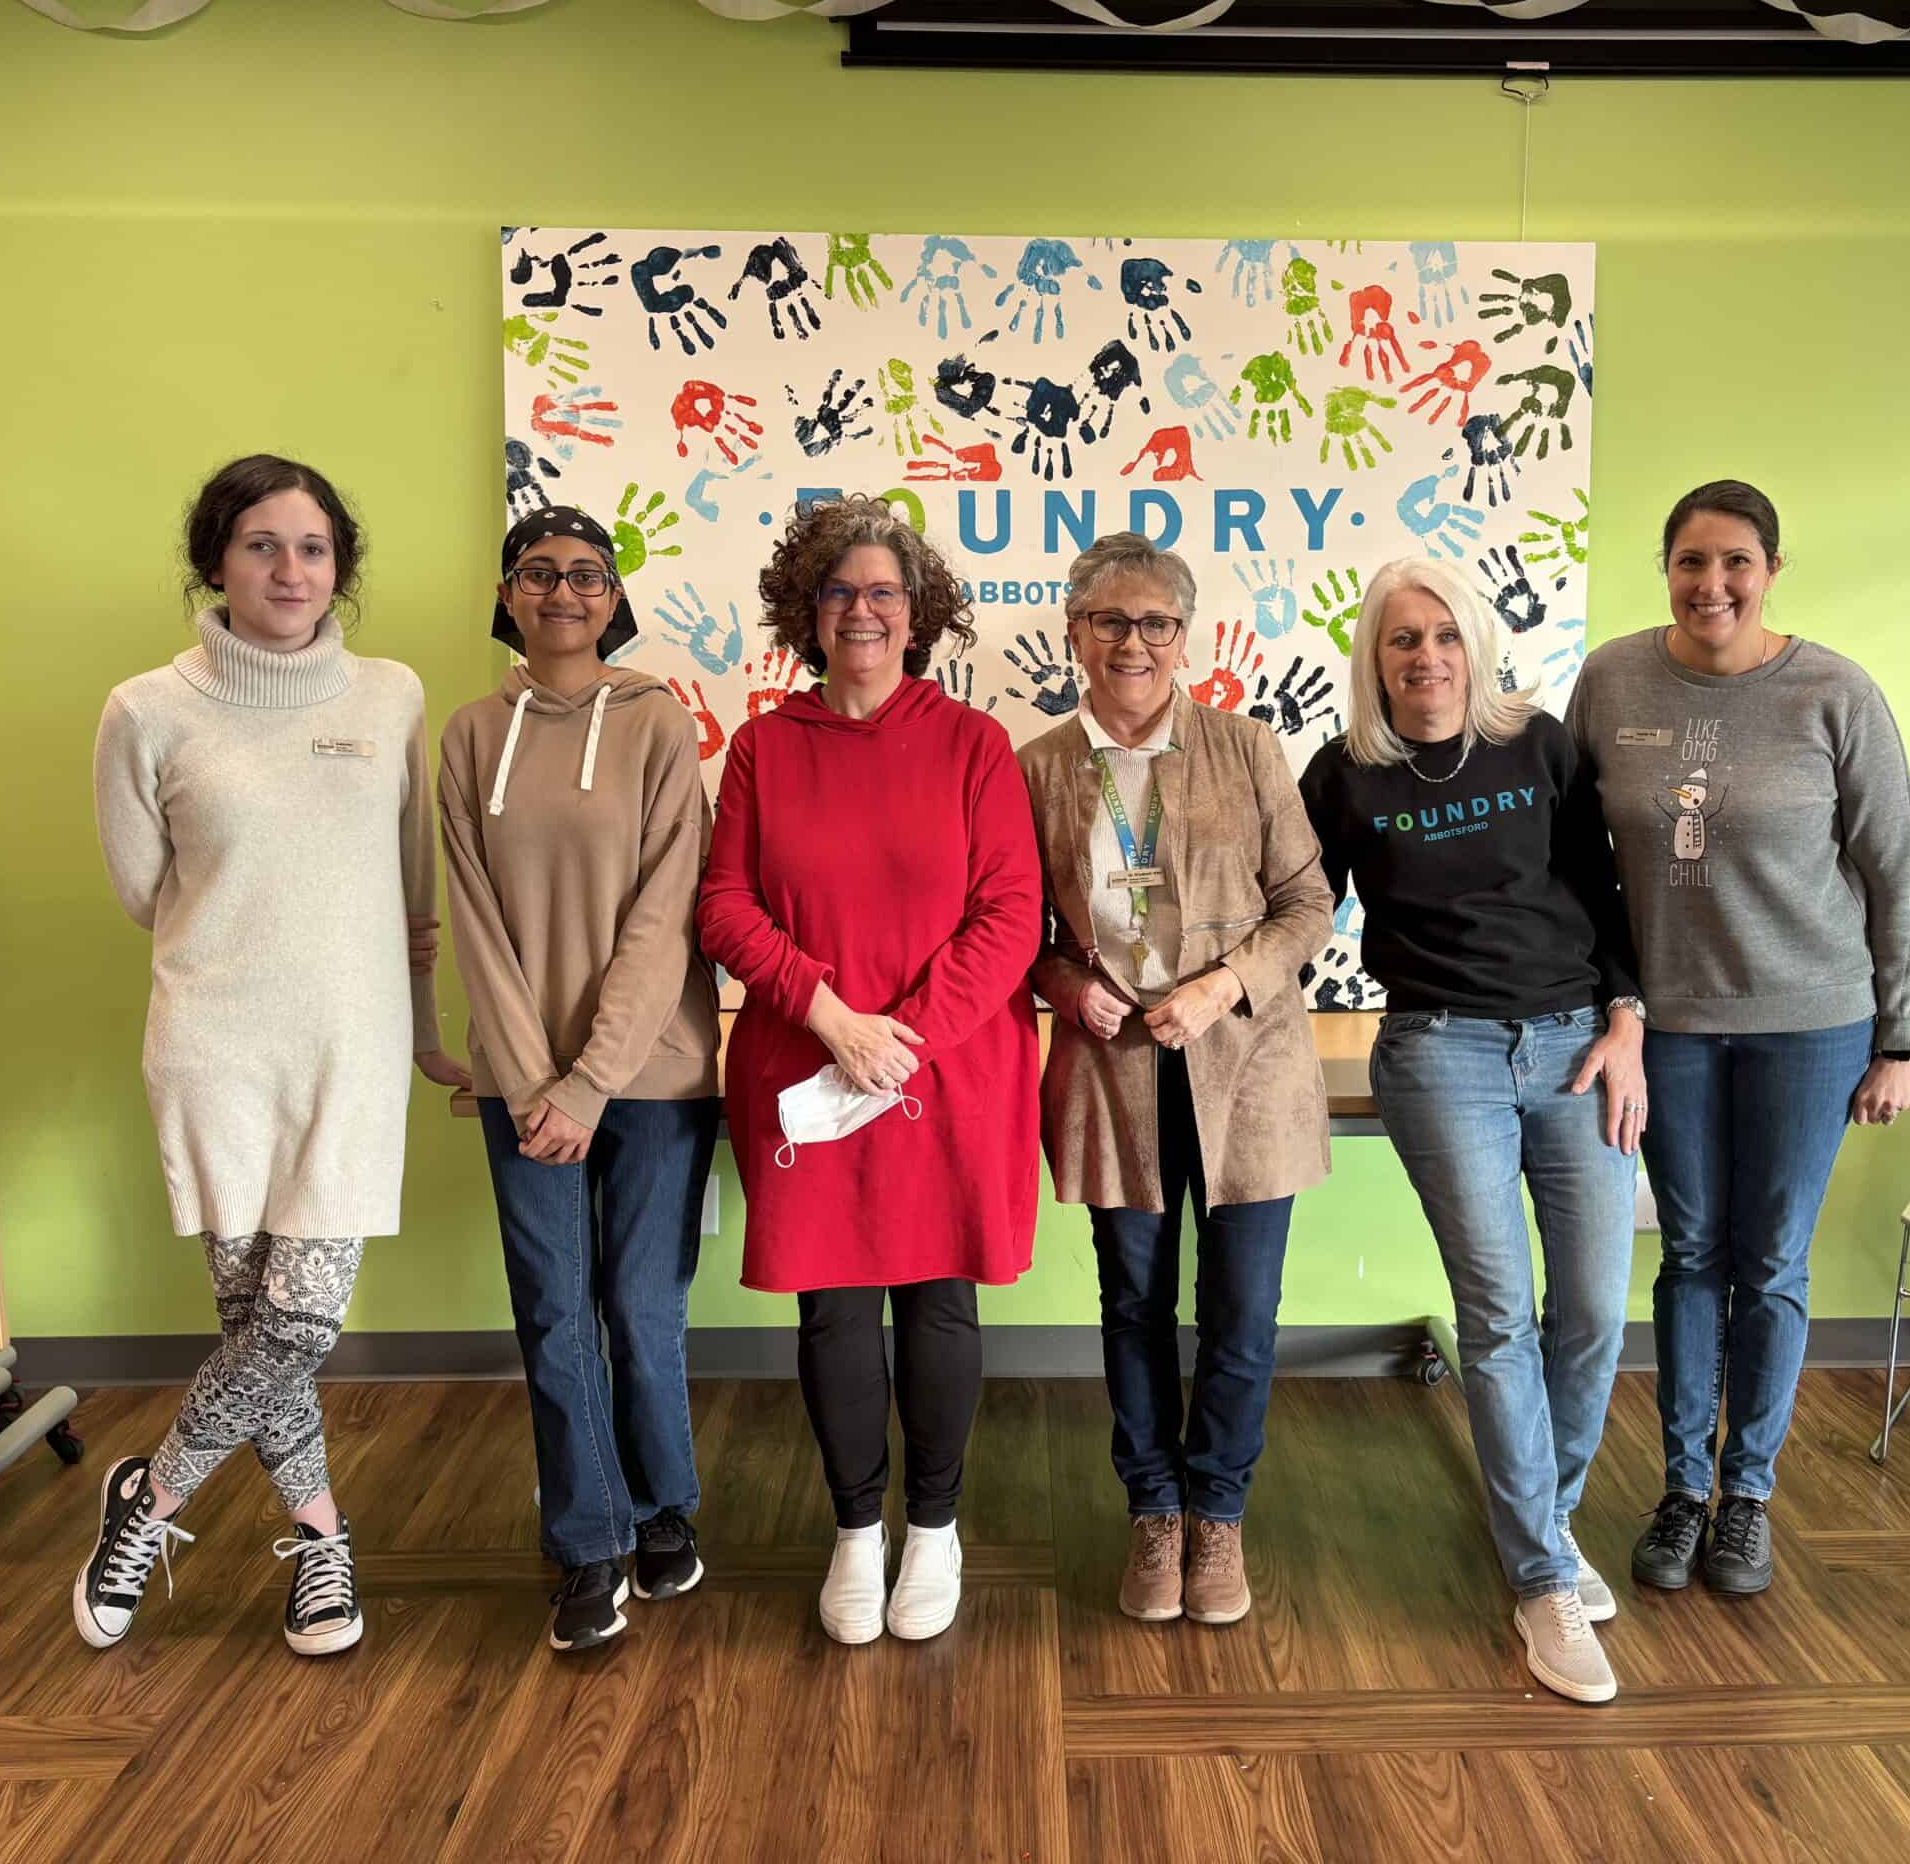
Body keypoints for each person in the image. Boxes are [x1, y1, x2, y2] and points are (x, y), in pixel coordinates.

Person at [79, 453, 469, 1657]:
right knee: (259, 1318)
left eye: (311, 547)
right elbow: (149, 890)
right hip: (214, 1049)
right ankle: (323, 1542)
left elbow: (412, 884)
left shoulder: (390, 695)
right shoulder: (146, 709)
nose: (290, 569)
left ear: (338, 567)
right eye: (261, 544)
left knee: (295, 1327)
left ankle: (146, 1500)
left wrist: (422, 1029)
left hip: (349, 1049)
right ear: (216, 562)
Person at [1565, 478, 1910, 1601]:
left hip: (1811, 1025)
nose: (1710, 584)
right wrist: (1602, 1004)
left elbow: (1893, 873)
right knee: (1687, 1254)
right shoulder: (1612, 680)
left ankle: (1748, 1497)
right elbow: (1575, 861)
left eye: (1734, 562)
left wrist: (1897, 1040)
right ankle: (1680, 1491)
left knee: (1768, 1263)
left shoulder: (1834, 693)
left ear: (1769, 570)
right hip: (1665, 1024)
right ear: (1663, 568)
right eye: (1689, 562)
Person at [1299, 557, 1646, 1706]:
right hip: (1439, 1052)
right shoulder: (1347, 774)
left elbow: (1610, 899)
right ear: (1375, 658)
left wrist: (1628, 1020)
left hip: (1574, 1050)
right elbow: (1294, 907)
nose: (1426, 657)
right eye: (1403, 639)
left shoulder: (1539, 747)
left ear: (1477, 646)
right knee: (1498, 1313)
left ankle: (1543, 1520)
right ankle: (1543, 1578)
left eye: (1445, 635)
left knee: (1594, 1306)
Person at [696, 494, 1041, 1648]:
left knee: (939, 1295)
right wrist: (833, 1016)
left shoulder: (972, 744)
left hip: (947, 1068)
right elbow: (724, 905)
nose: (862, 611)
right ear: (808, 609)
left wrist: (903, 1035)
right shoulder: (763, 746)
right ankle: (855, 1533)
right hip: (810, 1062)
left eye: (884, 593)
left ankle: (932, 1530)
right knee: (833, 1305)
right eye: (840, 591)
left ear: (918, 613)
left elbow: (1010, 915)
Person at [1019, 533, 1332, 1631]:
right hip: (1116, 1070)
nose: (1132, 643)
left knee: (1241, 1312)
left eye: (1155, 623)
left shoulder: (1247, 749)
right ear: (1074, 632)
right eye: (1109, 621)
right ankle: (1153, 1509)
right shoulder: (1038, 766)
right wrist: (1064, 984)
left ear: (1184, 637)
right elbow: (1016, 929)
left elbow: (1306, 904)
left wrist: (1219, 989)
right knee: (1133, 1302)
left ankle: (1220, 1513)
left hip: (1246, 1064)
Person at [439, 505, 723, 1655]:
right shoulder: (466, 735)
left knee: (639, 1312)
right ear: (507, 594)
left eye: (587, 576)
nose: (563, 592)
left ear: (614, 598)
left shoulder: (657, 725)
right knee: (553, 1316)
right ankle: (591, 1543)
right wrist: (530, 1082)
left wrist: (592, 1078)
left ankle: (663, 1506)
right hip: (523, 1086)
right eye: (538, 573)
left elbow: (666, 920)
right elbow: (473, 920)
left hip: (650, 1076)